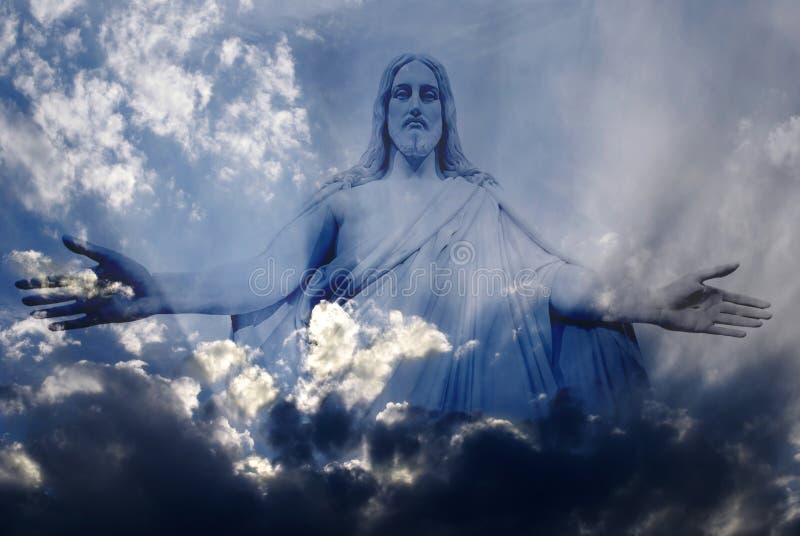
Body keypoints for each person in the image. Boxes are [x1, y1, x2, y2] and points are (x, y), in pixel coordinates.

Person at [15, 53, 771, 420]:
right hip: (361, 393)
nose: (416, 105)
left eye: (429, 94)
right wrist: (162, 293)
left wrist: (644, 303)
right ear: (383, 113)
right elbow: (268, 277)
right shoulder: (344, 203)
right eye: (401, 93)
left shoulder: (480, 201)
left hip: (468, 396)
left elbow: (548, 282)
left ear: (446, 114)